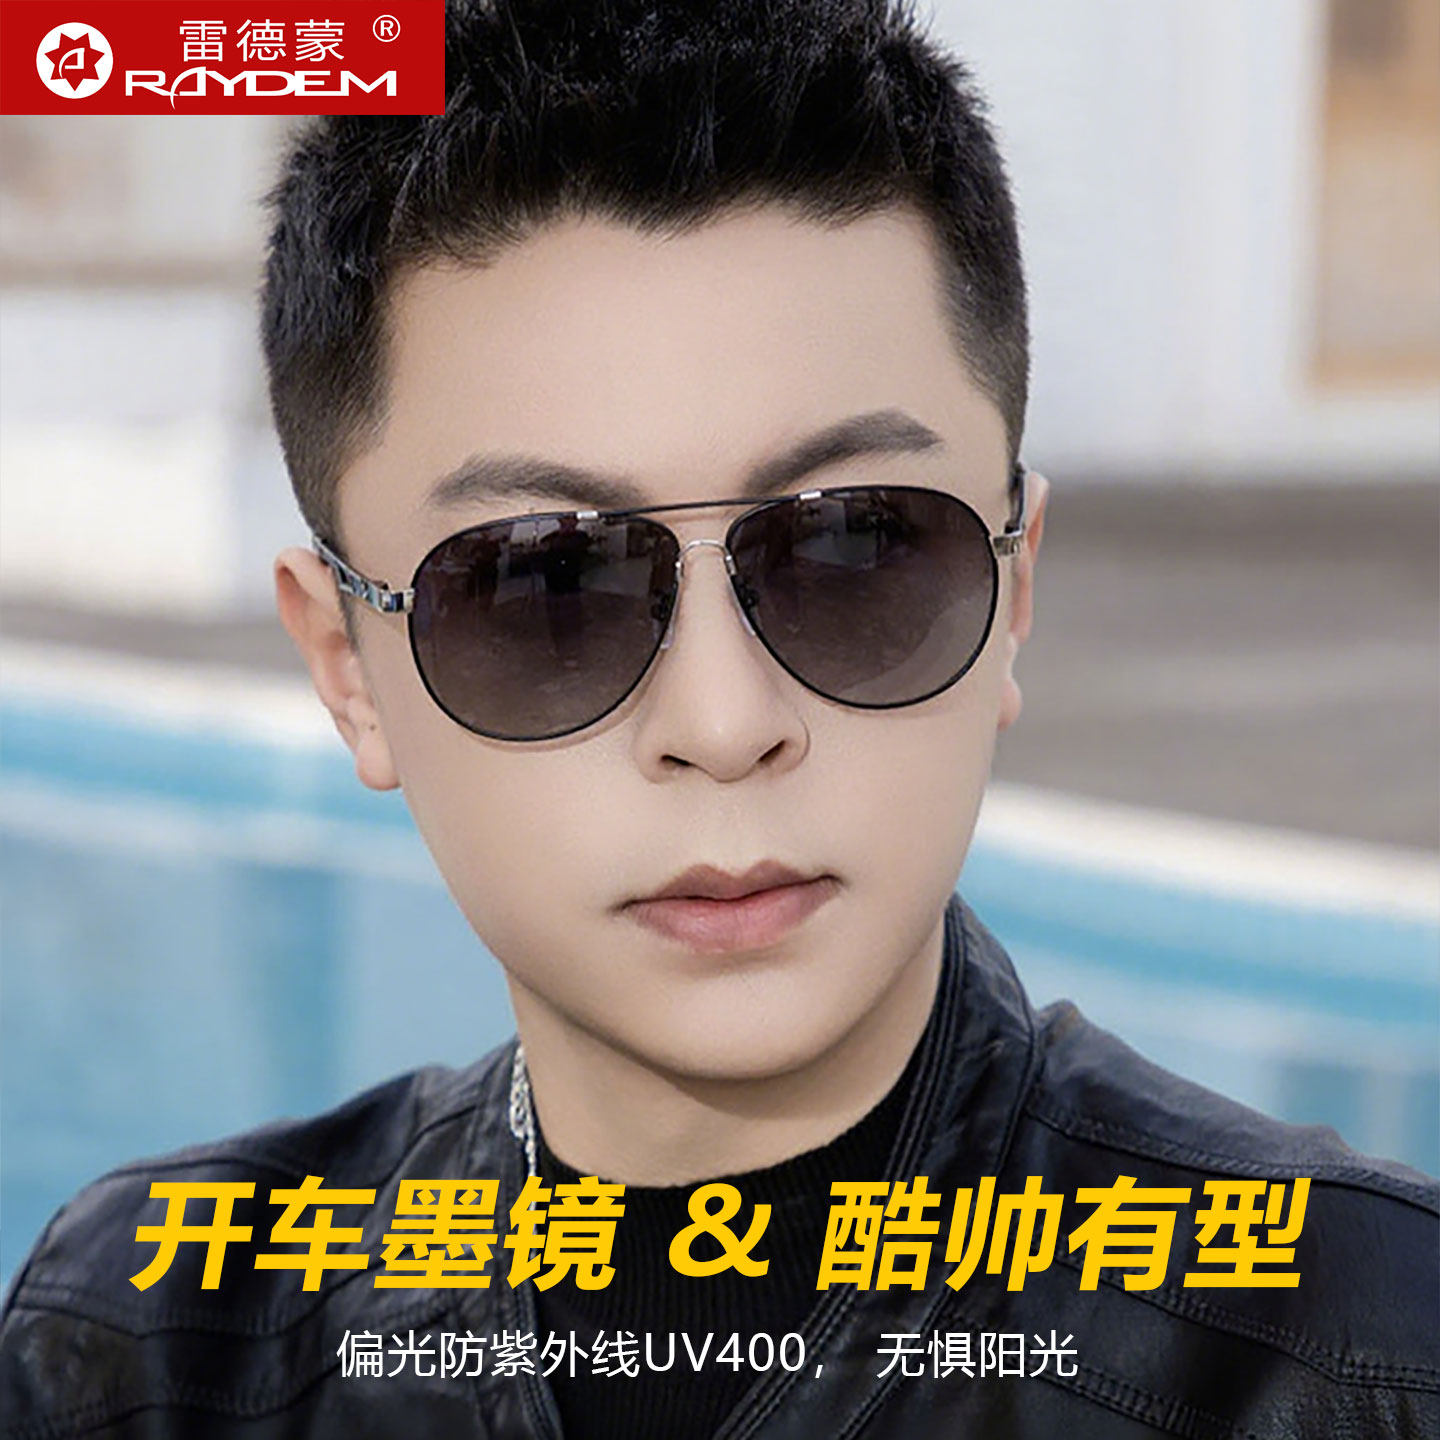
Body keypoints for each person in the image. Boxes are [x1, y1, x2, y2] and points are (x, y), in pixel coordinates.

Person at [3, 2, 1436, 1437]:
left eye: (859, 547)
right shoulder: (149, 1351)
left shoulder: (1369, 1354)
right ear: (347, 668)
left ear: (1013, 589)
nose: (725, 720)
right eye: (542, 584)